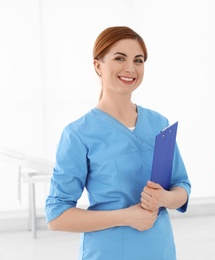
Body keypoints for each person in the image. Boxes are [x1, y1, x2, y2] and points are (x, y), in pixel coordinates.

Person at [45, 26, 191, 260]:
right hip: (109, 251)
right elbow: (57, 216)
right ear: (98, 66)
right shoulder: (78, 134)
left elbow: (181, 185)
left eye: (138, 60)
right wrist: (126, 216)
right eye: (119, 58)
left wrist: (166, 198)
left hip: (160, 249)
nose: (130, 68)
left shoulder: (158, 123)